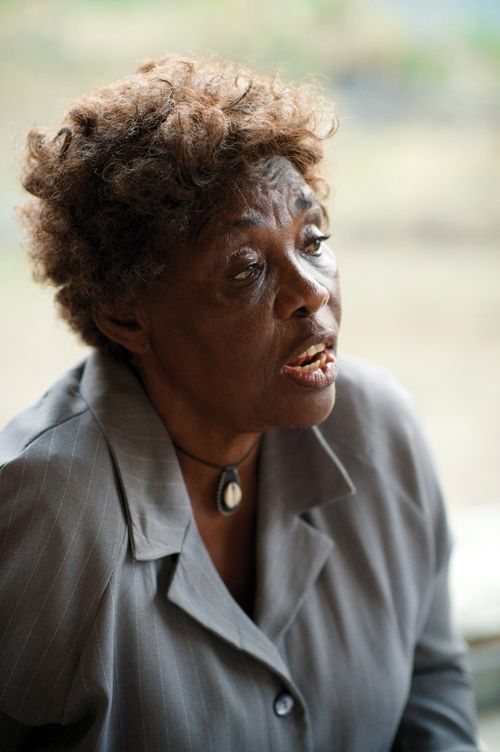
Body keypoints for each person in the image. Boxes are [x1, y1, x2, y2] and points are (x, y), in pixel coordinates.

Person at [0, 55, 479, 751]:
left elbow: (431, 683)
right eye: (246, 268)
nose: (310, 291)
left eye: (312, 241)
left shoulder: (379, 431)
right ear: (127, 317)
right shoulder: (48, 511)